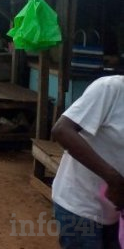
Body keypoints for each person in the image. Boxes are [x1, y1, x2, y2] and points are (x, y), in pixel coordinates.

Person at [50, 75, 124, 248]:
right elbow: (62, 130)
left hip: (115, 213)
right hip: (80, 206)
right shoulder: (110, 88)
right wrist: (114, 180)